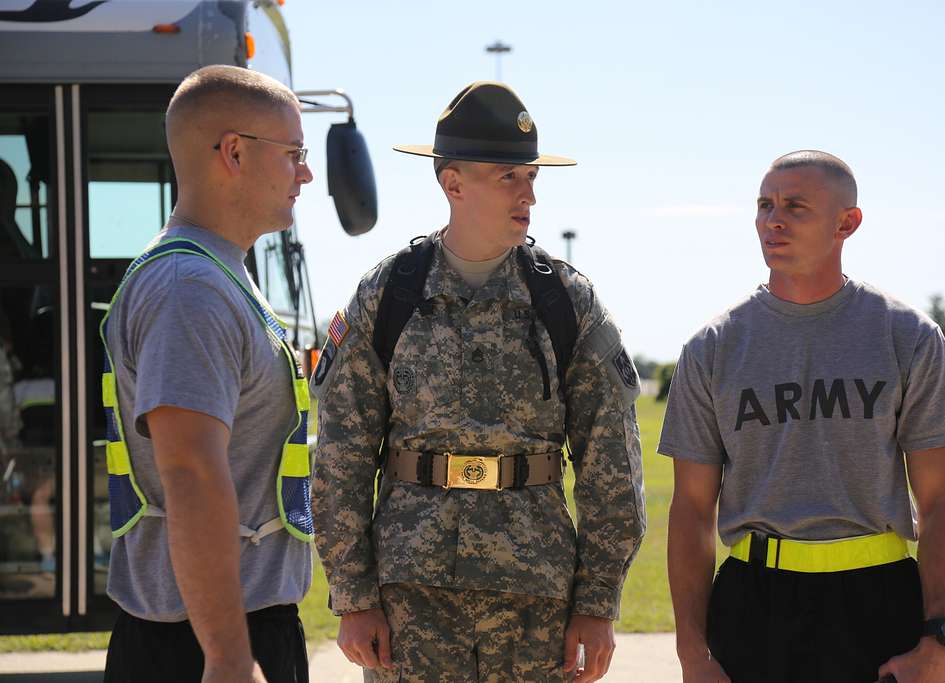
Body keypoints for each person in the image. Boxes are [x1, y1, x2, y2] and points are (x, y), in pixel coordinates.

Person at [311, 81, 646, 683]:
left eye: (532, 178)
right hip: (409, 598)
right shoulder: (388, 294)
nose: (529, 196)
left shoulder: (566, 302)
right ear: (453, 183)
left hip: (535, 597)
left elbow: (612, 462)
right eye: (508, 177)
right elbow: (341, 455)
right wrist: (353, 595)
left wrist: (597, 603)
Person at [660, 150, 945, 683]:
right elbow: (691, 510)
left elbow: (942, 500)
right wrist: (694, 654)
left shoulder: (908, 336)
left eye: (795, 207)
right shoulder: (712, 347)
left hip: (879, 601)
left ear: (846, 223)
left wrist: (938, 641)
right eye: (765, 206)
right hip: (752, 605)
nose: (773, 220)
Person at [100, 65, 314, 683]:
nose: (305, 173)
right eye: (294, 154)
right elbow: (190, 472)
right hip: (201, 645)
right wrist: (227, 656)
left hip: (229, 631)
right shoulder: (188, 289)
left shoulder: (218, 275)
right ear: (236, 153)